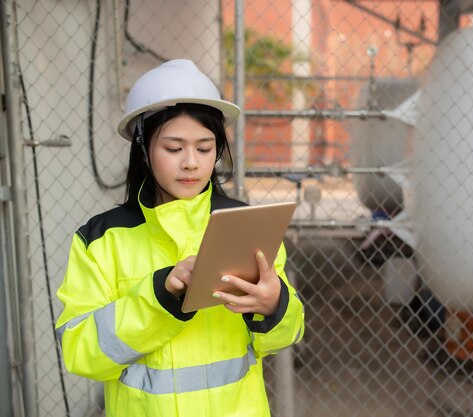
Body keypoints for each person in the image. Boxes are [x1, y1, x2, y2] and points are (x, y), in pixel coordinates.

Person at [55, 59, 305, 417]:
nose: (191, 163)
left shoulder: (245, 224)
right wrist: (159, 295)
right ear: (143, 149)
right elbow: (81, 354)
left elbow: (286, 335)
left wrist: (274, 304)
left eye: (204, 149)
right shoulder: (100, 240)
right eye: (174, 148)